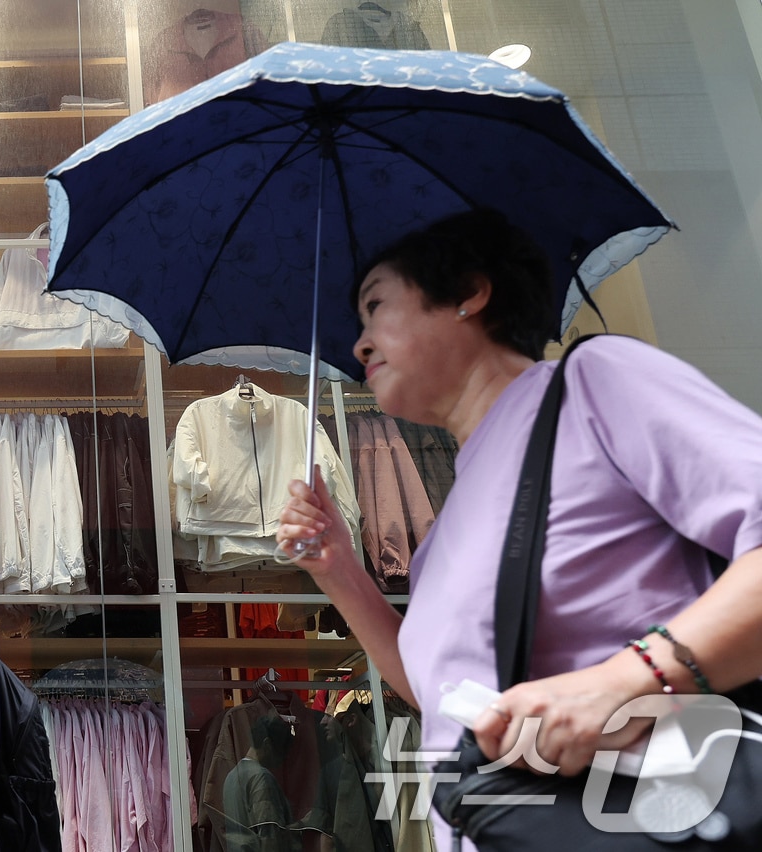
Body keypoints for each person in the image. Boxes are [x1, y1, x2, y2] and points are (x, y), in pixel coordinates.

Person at [275, 209, 762, 848]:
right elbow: (445, 694)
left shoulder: (593, 385)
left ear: (470, 295)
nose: (359, 344)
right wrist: (337, 569)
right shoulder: (446, 528)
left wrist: (621, 683)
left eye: (376, 308)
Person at [222, 714, 298, 852]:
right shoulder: (261, 778)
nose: (281, 762)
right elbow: (269, 835)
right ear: (267, 744)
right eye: (281, 752)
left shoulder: (232, 776)